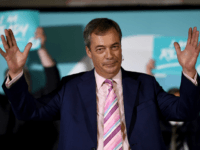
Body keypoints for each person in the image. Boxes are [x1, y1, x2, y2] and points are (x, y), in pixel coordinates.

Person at [0, 18, 200, 150]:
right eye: (101, 49)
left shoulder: (145, 84)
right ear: (89, 52)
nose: (110, 55)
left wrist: (189, 71)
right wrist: (16, 73)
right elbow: (29, 112)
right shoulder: (70, 88)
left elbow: (185, 112)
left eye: (114, 47)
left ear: (121, 47)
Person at [0, 27, 60, 150]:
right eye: (13, 76)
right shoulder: (2, 105)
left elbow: (52, 76)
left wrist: (41, 48)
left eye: (22, 76)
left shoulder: (41, 100)